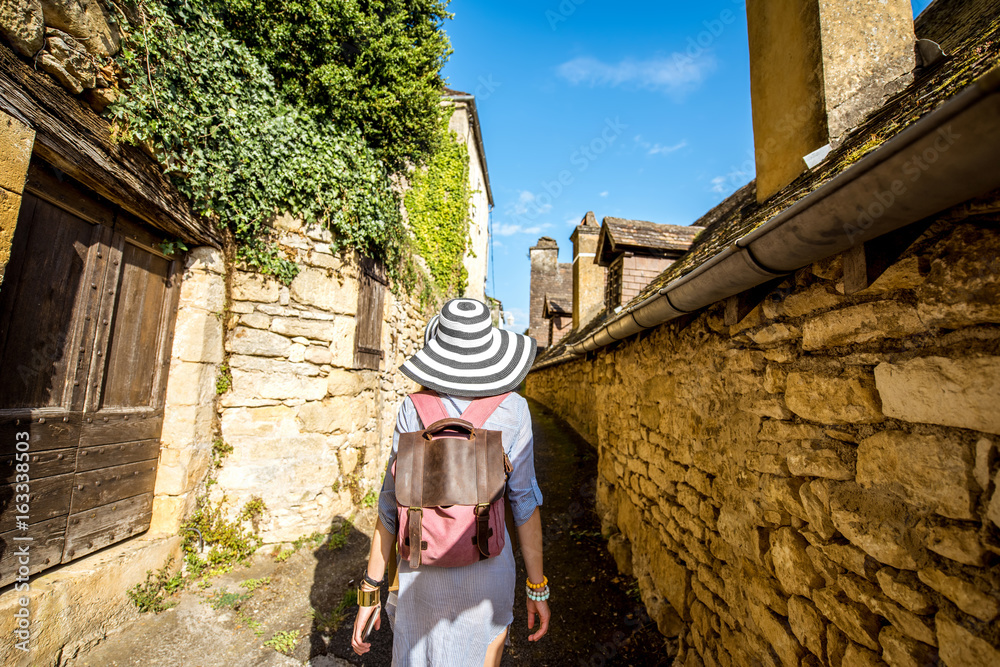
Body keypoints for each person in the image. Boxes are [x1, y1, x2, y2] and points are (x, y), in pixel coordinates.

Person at [351, 298, 551, 666]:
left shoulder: (413, 407)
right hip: (488, 577)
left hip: (421, 575)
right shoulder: (515, 409)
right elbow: (523, 502)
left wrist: (370, 589)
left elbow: (390, 503)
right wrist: (537, 588)